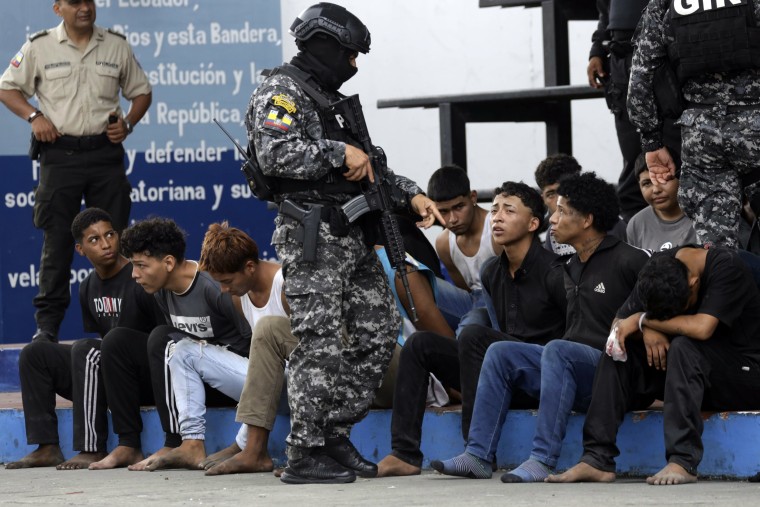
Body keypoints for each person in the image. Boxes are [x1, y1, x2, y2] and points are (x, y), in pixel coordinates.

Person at [246, 2, 444, 484]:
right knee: (319, 343)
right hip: (312, 235)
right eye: (349, 54)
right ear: (323, 46)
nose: (353, 65)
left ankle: (329, 432)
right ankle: (303, 453)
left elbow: (371, 166)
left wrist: (411, 194)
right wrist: (339, 151)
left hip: (352, 236)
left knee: (378, 338)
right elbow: (274, 155)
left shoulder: (330, 99)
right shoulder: (283, 91)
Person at [433, 172, 649, 483]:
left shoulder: (629, 260)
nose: (552, 218)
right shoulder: (571, 266)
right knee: (500, 351)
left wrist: (647, 324)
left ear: (587, 219)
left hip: (617, 377)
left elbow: (665, 302)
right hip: (575, 371)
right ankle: (477, 454)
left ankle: (543, 459)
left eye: (561, 211)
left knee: (558, 350)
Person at [376, 181, 567, 477]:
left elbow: (566, 344)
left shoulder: (555, 273)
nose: (497, 217)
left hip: (539, 378)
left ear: (532, 223)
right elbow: (497, 328)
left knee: (475, 335)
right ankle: (405, 453)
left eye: (509, 210)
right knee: (420, 345)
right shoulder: (491, 271)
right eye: (495, 209)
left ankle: (476, 453)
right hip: (498, 377)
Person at [0, 0, 151, 343]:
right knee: (57, 245)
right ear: (58, 9)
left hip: (104, 155)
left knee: (118, 239)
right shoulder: (39, 46)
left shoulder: (115, 44)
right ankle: (47, 329)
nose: (84, 7)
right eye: (74, 2)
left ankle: (126, 323)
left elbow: (141, 92)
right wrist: (34, 116)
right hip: (60, 157)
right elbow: (7, 88)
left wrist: (127, 123)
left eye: (88, 1)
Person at [548, 247, 760, 486]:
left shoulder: (727, 266)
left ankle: (683, 461)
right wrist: (643, 329)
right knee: (618, 350)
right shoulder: (659, 268)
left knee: (683, 345)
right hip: (687, 376)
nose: (667, 321)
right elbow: (618, 325)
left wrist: (644, 321)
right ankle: (597, 458)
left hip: (744, 374)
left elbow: (702, 328)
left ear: (694, 283)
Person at [5, 208, 160, 470]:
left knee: (88, 349)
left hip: (141, 379)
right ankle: (47, 447)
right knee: (35, 353)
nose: (106, 243)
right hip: (109, 376)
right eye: (94, 240)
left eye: (110, 234)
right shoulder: (88, 286)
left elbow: (160, 339)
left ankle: (91, 448)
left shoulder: (139, 276)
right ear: (80, 249)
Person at [94, 218, 252, 472]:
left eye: (141, 266)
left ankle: (176, 441)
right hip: (194, 381)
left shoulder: (212, 286)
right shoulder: (160, 290)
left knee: (162, 338)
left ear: (168, 262)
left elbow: (253, 344)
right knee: (116, 341)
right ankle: (128, 443)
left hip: (237, 381)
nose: (134, 274)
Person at [627, 0, 760, 248]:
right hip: (754, 121)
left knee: (716, 250)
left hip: (701, 135)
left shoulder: (665, 3)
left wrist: (652, 141)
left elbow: (641, 75)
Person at [196, 222, 292, 476]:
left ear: (250, 267)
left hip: (312, 379)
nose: (223, 290)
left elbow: (316, 355)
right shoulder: (240, 296)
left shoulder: (286, 286)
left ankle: (252, 450)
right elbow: (263, 367)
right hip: (281, 384)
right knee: (187, 351)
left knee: (268, 331)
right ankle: (247, 447)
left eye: (227, 281)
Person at [588, 0, 681, 222]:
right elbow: (606, 11)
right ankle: (639, 247)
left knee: (681, 161)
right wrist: (597, 50)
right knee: (635, 168)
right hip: (623, 64)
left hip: (669, 62)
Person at [427, 165, 498, 331]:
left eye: (459, 207)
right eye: (443, 211)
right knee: (415, 280)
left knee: (470, 323)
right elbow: (465, 291)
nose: (452, 219)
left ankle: (458, 345)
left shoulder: (496, 229)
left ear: (473, 197)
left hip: (500, 302)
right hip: (471, 301)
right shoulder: (444, 243)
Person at [534, 154, 627, 256]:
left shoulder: (610, 224)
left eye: (564, 192)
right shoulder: (551, 235)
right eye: (551, 194)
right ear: (543, 199)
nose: (558, 201)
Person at [626, 154, 696, 251]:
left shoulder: (704, 216)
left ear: (681, 177)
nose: (656, 190)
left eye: (663, 179)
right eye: (647, 183)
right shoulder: (636, 224)